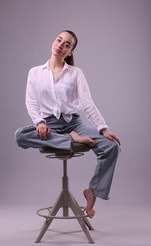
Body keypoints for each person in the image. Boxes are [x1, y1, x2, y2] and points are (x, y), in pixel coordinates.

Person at [15, 30, 121, 218]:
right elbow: (31, 103)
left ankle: (92, 192)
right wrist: (39, 122)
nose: (61, 45)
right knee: (20, 135)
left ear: (70, 51)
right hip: (48, 126)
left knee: (112, 147)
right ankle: (70, 140)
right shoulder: (35, 72)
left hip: (74, 124)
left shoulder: (75, 73)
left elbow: (87, 103)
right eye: (59, 40)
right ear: (53, 41)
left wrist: (102, 128)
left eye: (67, 44)